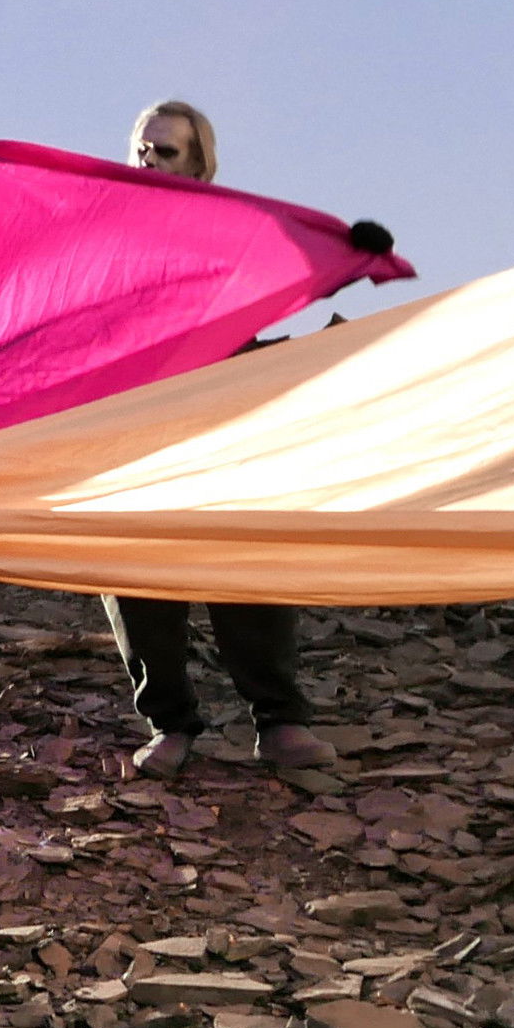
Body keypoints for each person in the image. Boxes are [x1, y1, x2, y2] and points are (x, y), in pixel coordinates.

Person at [104, 99, 396, 779]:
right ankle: (170, 724)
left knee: (243, 556)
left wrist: (351, 252)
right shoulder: (107, 233)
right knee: (132, 569)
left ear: (198, 165)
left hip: (219, 411)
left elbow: (289, 266)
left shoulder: (227, 233)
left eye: (166, 150)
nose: (149, 159)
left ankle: (280, 722)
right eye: (142, 147)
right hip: (131, 421)